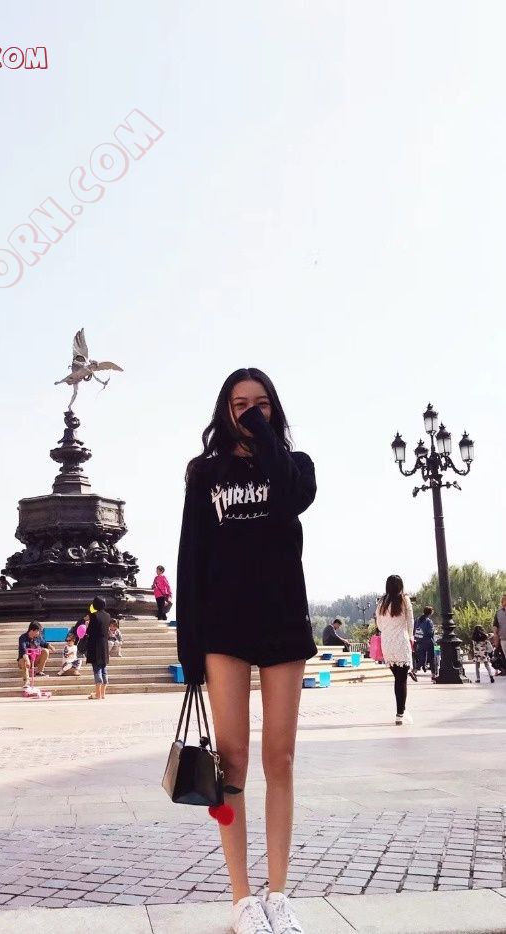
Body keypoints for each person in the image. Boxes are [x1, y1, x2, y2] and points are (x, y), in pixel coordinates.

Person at [176, 368, 317, 934]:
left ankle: (278, 894)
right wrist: (190, 649)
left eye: (261, 404)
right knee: (231, 762)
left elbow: (293, 500)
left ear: (274, 410)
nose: (251, 412)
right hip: (224, 627)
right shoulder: (204, 472)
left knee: (280, 759)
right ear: (224, 410)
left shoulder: (295, 465)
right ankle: (241, 899)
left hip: (282, 620)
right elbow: (190, 557)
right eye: (240, 405)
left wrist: (264, 438)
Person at [376, 575, 415, 725]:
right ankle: (400, 713)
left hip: (387, 644)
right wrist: (410, 637)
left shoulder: (382, 602)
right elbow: (410, 621)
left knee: (397, 678)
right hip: (401, 642)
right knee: (402, 679)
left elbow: (379, 625)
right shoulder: (404, 600)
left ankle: (401, 710)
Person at [86, 596, 111, 700]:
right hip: (104, 644)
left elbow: (89, 631)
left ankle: (98, 694)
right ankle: (103, 694)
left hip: (95, 644)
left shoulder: (94, 615)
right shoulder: (108, 615)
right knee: (104, 668)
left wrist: (87, 624)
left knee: (97, 669)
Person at [17, 622, 51, 687]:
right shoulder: (22, 637)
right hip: (24, 659)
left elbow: (44, 643)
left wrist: (51, 647)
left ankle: (39, 671)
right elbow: (23, 650)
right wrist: (27, 660)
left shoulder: (38, 637)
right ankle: (26, 681)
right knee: (23, 660)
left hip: (34, 659)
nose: (39, 633)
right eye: (38, 631)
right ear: (32, 630)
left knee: (45, 651)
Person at [412, 606, 436, 675]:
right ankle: (433, 674)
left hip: (419, 641)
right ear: (430, 613)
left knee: (422, 658)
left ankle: (414, 671)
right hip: (428, 641)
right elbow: (430, 632)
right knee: (432, 658)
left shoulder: (417, 620)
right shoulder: (429, 621)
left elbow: (414, 630)